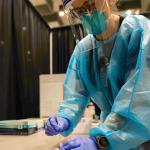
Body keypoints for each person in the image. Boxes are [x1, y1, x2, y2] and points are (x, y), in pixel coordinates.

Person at [45, 0, 150, 149]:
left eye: (89, 5)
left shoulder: (139, 31)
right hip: (109, 139)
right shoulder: (83, 51)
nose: (86, 14)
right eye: (79, 11)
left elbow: (140, 99)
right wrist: (64, 118)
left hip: (142, 137)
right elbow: (75, 97)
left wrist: (100, 140)